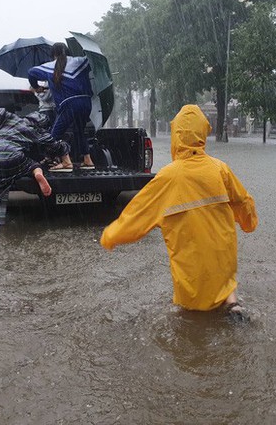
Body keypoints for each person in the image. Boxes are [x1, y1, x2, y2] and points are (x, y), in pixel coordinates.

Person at [100, 104, 258, 321]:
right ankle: (234, 306)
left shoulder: (168, 177)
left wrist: (110, 236)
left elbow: (137, 214)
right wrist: (249, 223)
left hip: (191, 262)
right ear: (203, 133)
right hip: (223, 253)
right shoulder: (220, 169)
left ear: (176, 136)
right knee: (225, 279)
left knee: (191, 315)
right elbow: (244, 201)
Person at [0, 108, 70, 233]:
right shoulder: (37, 131)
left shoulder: (11, 119)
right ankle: (38, 175)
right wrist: (65, 146)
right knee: (32, 164)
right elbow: (56, 147)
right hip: (12, 157)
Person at [28, 42, 95, 171]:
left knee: (54, 135)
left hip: (69, 104)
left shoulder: (50, 66)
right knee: (79, 131)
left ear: (53, 54)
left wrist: (36, 87)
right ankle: (88, 160)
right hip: (86, 102)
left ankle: (66, 162)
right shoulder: (80, 61)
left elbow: (31, 72)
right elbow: (92, 62)